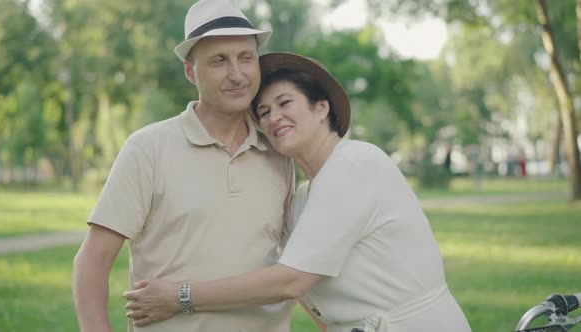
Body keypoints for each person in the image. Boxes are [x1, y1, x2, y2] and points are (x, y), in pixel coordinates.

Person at [122, 52, 473, 332]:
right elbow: (302, 286)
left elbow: (291, 281)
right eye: (264, 111)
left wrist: (180, 297)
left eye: (285, 103)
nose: (274, 117)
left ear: (322, 108)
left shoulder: (356, 163)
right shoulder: (302, 197)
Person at [71, 1, 295, 331]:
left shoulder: (279, 155)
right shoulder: (148, 149)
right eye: (219, 61)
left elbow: (294, 272)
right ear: (191, 71)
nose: (236, 74)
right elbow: (92, 262)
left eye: (245, 58)